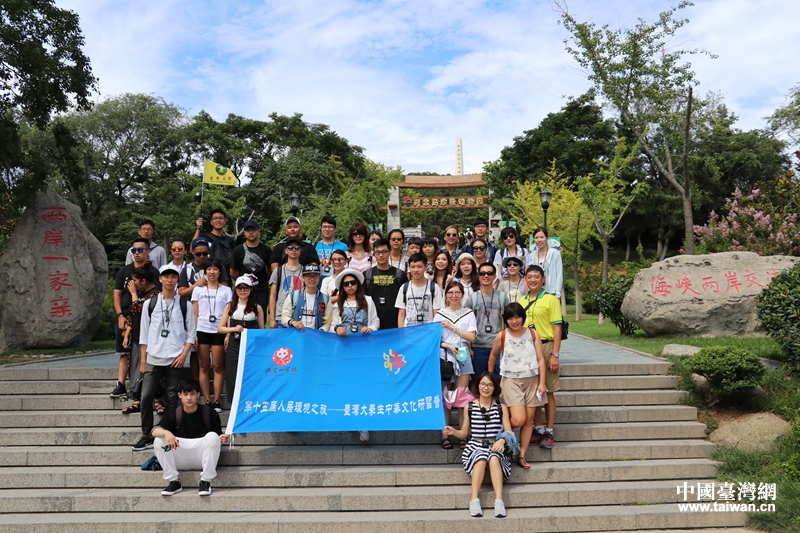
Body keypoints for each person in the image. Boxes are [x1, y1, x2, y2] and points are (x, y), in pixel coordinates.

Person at [133, 264, 197, 452]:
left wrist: (184, 355)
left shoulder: (184, 304)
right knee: (146, 396)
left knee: (171, 397)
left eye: (173, 277)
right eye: (166, 276)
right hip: (154, 355)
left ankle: (170, 432)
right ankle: (147, 435)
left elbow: (191, 334)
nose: (170, 280)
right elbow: (144, 334)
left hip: (175, 356)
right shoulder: (150, 303)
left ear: (177, 279)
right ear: (160, 279)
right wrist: (143, 360)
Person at [443, 371, 512, 518]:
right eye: (483, 384)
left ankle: (499, 501)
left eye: (489, 385)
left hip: (496, 445)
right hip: (475, 446)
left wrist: (502, 440)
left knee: (494, 458)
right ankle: (474, 500)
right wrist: (454, 432)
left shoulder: (501, 407)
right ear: (478, 385)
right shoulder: (469, 407)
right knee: (480, 458)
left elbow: (508, 432)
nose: (485, 388)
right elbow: (464, 433)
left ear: (495, 387)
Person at [488, 302, 547, 469]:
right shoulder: (502, 335)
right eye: (510, 318)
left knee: (528, 421)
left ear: (523, 317)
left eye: (517, 317)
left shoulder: (533, 333)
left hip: (532, 380)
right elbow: (492, 356)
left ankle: (522, 454)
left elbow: (541, 359)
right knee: (518, 419)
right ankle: (496, 431)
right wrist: (491, 378)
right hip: (511, 380)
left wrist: (542, 382)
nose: (514, 321)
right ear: (505, 320)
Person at [326, 268, 379, 443]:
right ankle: (345, 415)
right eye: (346, 284)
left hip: (363, 348)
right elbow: (333, 324)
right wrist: (337, 328)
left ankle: (363, 424)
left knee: (362, 384)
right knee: (345, 382)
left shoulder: (368, 301)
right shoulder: (338, 304)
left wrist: (370, 328)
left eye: (353, 283)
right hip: (344, 348)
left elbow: (375, 320)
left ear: (358, 284)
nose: (350, 286)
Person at [151, 379, 229, 497]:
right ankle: (174, 481)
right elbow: (153, 431)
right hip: (180, 458)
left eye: (192, 394)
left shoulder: (209, 412)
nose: (189, 398)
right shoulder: (175, 413)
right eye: (185, 394)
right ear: (179, 395)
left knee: (213, 436)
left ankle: (205, 481)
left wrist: (221, 439)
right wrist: (166, 433)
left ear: (198, 395)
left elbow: (217, 437)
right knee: (159, 440)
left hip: (202, 457)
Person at [518, 265, 563, 449]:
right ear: (525, 280)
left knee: (548, 390)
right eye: (529, 277)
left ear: (543, 279)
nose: (533, 280)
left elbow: (557, 328)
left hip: (545, 346)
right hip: (527, 349)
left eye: (536, 276)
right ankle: (538, 428)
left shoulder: (551, 299)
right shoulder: (522, 301)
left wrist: (555, 355)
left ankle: (549, 431)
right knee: (532, 391)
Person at [111, 237, 160, 399]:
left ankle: (142, 390)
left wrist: (134, 295)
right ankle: (121, 384)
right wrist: (120, 315)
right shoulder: (125, 271)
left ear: (148, 251)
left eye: (140, 250)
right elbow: (117, 294)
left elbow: (148, 301)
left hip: (144, 320)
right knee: (124, 351)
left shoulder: (153, 273)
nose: (136, 253)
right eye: (134, 250)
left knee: (141, 354)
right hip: (126, 316)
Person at [435, 280, 477, 450]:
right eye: (450, 292)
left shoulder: (468, 313)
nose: (454, 296)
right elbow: (435, 339)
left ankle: (463, 434)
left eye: (457, 292)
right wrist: (448, 346)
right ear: (445, 295)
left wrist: (453, 328)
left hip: (463, 355)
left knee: (462, 398)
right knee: (445, 398)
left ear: (462, 294)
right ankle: (445, 435)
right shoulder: (439, 314)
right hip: (444, 356)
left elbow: (472, 337)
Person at [191, 258, 232, 413]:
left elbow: (229, 313)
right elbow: (194, 313)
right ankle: (207, 400)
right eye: (209, 269)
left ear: (220, 272)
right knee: (203, 366)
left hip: (219, 331)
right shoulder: (198, 290)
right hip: (202, 329)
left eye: (215, 269)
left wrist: (228, 334)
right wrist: (194, 333)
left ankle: (217, 401)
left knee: (217, 366)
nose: (212, 272)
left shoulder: (226, 290)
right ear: (205, 271)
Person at [120, 262, 160, 415]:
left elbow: (138, 310)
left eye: (135, 280)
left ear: (143, 281)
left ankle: (157, 400)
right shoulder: (141, 293)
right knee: (136, 368)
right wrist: (127, 334)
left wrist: (133, 294)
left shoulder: (156, 295)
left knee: (151, 370)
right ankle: (137, 400)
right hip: (137, 337)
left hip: (151, 340)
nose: (132, 284)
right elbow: (132, 315)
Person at [218, 276, 265, 406]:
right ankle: (233, 404)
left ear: (251, 289)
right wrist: (233, 329)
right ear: (235, 289)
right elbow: (220, 328)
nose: (242, 290)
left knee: (251, 374)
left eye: (245, 287)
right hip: (234, 344)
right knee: (232, 373)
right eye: (239, 287)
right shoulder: (230, 306)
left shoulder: (257, 307)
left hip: (251, 346)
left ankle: (251, 402)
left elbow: (262, 330)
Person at [468, 263, 506, 378]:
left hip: (498, 345)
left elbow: (509, 321)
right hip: (478, 346)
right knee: (477, 381)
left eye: (489, 273)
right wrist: (469, 347)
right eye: (482, 273)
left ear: (495, 276)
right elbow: (466, 324)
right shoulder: (472, 298)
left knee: (499, 380)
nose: (486, 276)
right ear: (478, 276)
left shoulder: (502, 297)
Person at [230, 219, 272, 313]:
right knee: (243, 315)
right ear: (244, 232)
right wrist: (242, 281)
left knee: (261, 317)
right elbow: (232, 271)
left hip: (261, 290)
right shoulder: (238, 250)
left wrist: (264, 279)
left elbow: (270, 269)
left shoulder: (266, 249)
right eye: (248, 230)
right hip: (243, 291)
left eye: (253, 229)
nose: (251, 232)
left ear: (258, 231)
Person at [363, 238, 405, 330]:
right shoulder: (367, 275)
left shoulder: (400, 275)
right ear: (374, 254)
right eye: (377, 252)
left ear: (389, 252)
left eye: (384, 252)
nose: (381, 255)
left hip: (395, 322)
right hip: (372, 324)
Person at [396, 253, 444, 327]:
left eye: (419, 267)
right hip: (409, 331)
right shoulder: (404, 287)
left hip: (428, 331)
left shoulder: (434, 287)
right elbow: (401, 315)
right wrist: (401, 332)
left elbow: (437, 313)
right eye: (412, 267)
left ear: (426, 267)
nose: (416, 270)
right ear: (409, 268)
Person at [268, 235, 304, 328]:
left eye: (297, 248)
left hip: (299, 317)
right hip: (280, 316)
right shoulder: (278, 271)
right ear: (286, 250)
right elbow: (272, 295)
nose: (293, 250)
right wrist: (272, 319)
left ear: (301, 250)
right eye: (290, 247)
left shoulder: (305, 271)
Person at [281, 264, 331, 330]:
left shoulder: (325, 299)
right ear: (302, 277)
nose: (312, 279)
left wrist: (321, 331)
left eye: (315, 276)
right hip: (297, 334)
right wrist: (293, 322)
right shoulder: (293, 296)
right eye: (308, 276)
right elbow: (284, 317)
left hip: (316, 335)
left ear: (319, 277)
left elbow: (328, 322)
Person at [527, 227, 563, 298]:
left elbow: (559, 274)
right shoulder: (531, 255)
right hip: (536, 293)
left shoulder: (555, 253)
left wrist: (558, 294)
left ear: (547, 238)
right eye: (536, 238)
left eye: (541, 237)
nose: (539, 240)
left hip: (551, 293)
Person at [315, 215, 347, 279]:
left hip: (336, 281)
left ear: (335, 229)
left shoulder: (343, 247)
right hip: (318, 282)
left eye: (330, 227)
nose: (327, 229)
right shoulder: (315, 245)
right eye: (324, 227)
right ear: (321, 228)